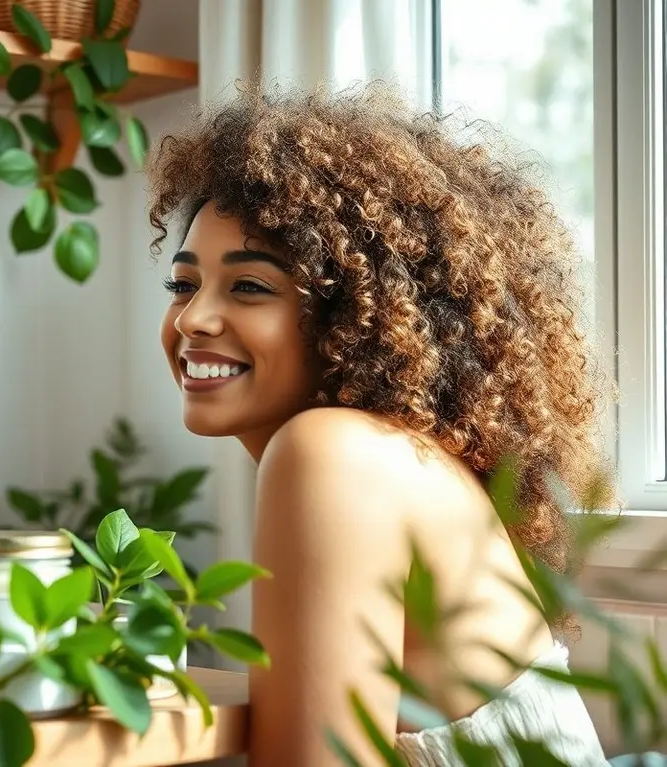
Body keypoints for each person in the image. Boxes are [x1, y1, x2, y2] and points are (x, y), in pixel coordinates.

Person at [146, 83, 612, 766]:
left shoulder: (333, 455)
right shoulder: (389, 458)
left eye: (249, 287)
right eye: (184, 285)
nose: (192, 319)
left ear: (356, 313)